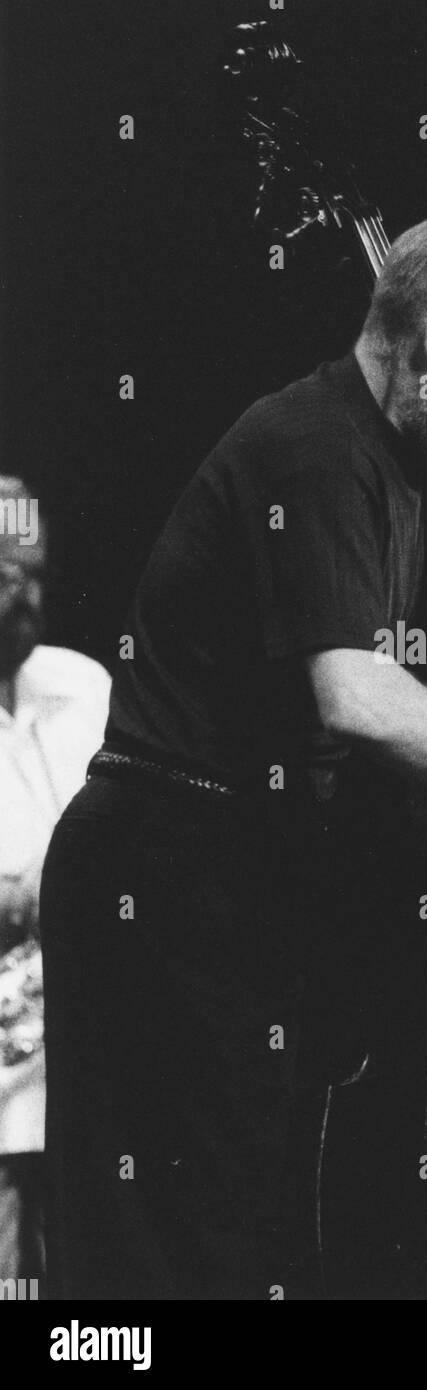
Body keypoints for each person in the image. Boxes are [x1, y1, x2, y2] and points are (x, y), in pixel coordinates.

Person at [39, 212, 427, 1300]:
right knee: (173, 1244)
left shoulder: (386, 454)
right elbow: (356, 692)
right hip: (165, 865)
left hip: (229, 865)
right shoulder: (310, 445)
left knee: (242, 1221)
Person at [0, 476, 110, 1292]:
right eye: (1, 569)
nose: (19, 591)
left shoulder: (84, 685)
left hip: (87, 1070)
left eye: (32, 569)